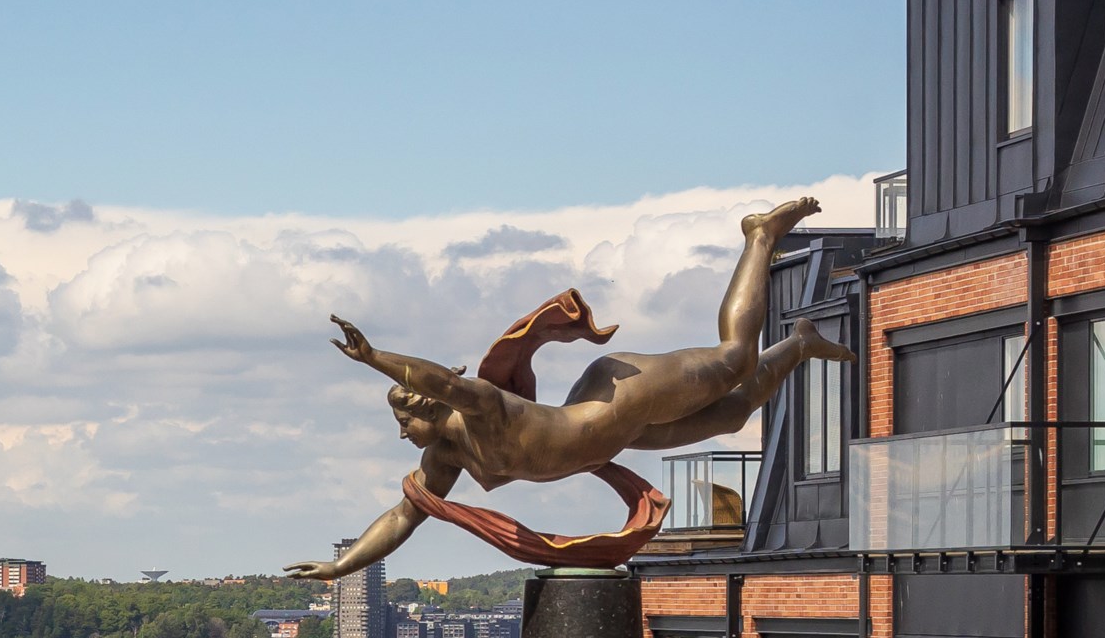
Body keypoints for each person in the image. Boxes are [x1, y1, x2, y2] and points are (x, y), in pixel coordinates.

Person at [293, 195, 851, 580]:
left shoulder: (483, 409)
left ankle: (759, 237)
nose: (401, 434)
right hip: (614, 435)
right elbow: (402, 516)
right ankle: (799, 342)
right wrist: (341, 567)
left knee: (733, 360)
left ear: (432, 407)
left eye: (404, 421)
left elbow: (440, 378)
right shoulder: (446, 457)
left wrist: (373, 359)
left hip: (621, 395)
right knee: (732, 415)